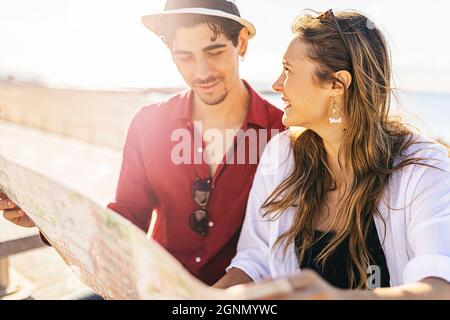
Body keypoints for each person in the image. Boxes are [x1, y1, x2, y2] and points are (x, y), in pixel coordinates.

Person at [0, 0, 284, 287]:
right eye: (185, 56)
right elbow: (126, 220)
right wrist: (45, 217)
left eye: (215, 52)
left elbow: (280, 247)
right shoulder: (149, 124)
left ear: (242, 42)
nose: (201, 72)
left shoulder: (283, 133)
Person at [214, 9, 450, 299]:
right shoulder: (281, 155)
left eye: (288, 71)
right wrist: (196, 299)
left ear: (336, 85)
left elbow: (440, 287)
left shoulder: (425, 168)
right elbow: (256, 261)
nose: (277, 85)